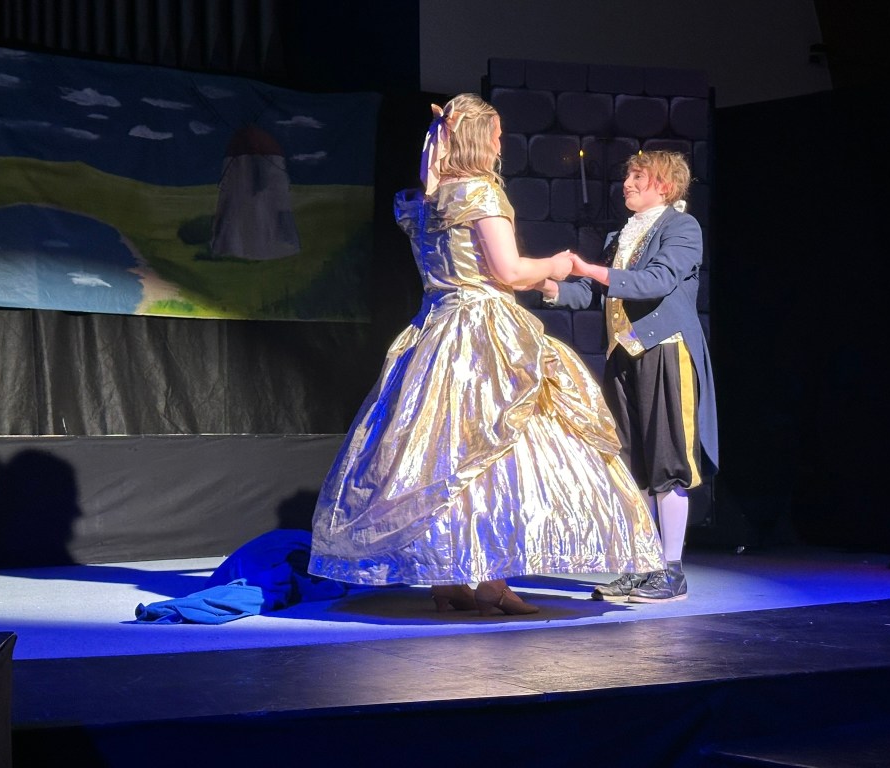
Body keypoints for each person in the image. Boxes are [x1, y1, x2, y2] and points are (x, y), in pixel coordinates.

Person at [307, 94, 665, 616]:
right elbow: (507, 271)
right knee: (493, 445)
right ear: (480, 139)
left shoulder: (427, 200)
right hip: (483, 332)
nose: (501, 145)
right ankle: (491, 580)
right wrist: (556, 266)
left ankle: (449, 580)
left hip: (435, 330)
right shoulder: (480, 192)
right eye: (497, 136)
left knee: (441, 453)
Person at [537, 149, 718, 602]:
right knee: (631, 462)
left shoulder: (681, 228)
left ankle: (671, 571)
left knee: (667, 461)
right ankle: (641, 565)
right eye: (629, 176)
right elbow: (587, 291)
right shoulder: (620, 235)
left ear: (665, 186)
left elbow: (656, 281)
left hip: (665, 350)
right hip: (624, 355)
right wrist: (543, 282)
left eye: (640, 177)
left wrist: (590, 269)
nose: (628, 183)